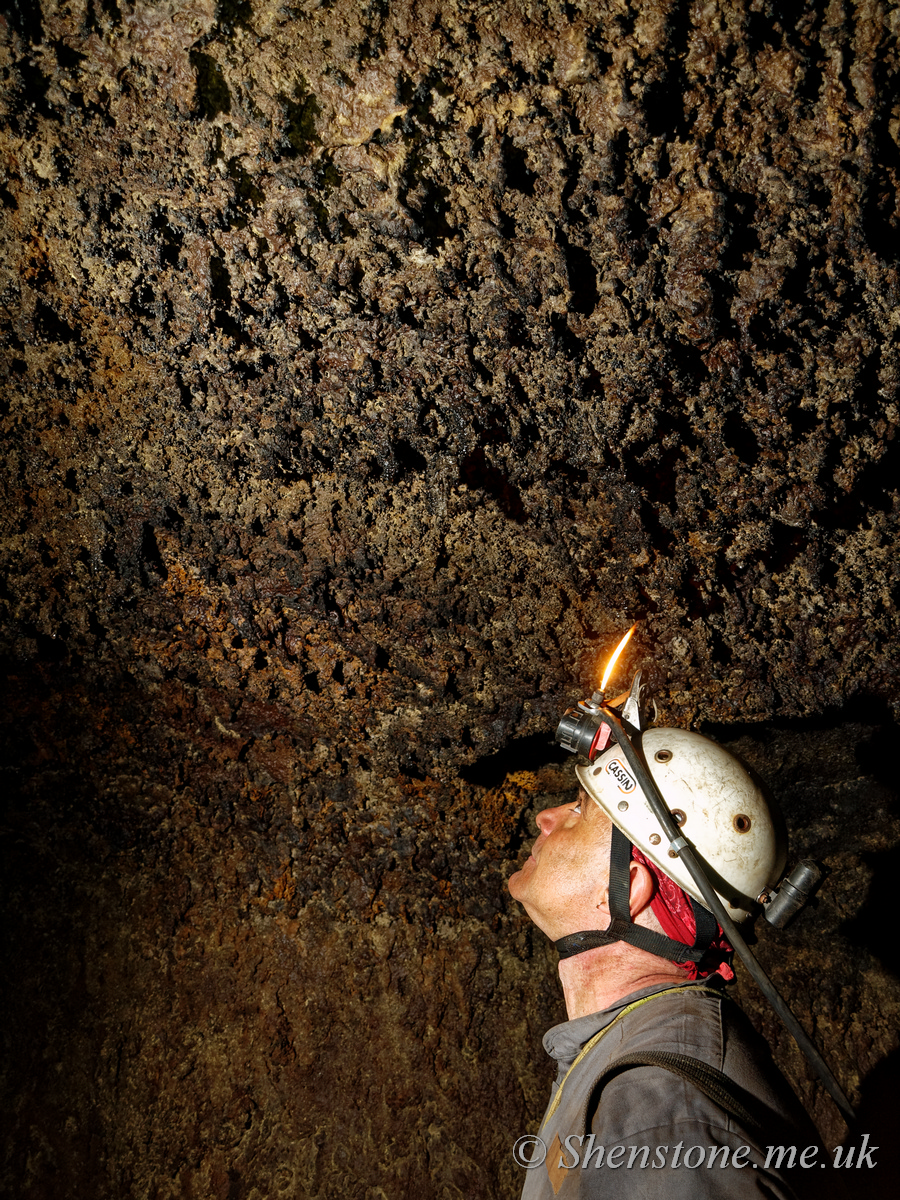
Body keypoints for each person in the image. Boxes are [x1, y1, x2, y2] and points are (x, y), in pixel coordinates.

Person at [508, 724, 827, 1199]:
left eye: (579, 810)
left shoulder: (663, 1120)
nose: (545, 817)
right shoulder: (630, 1060)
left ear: (629, 889)